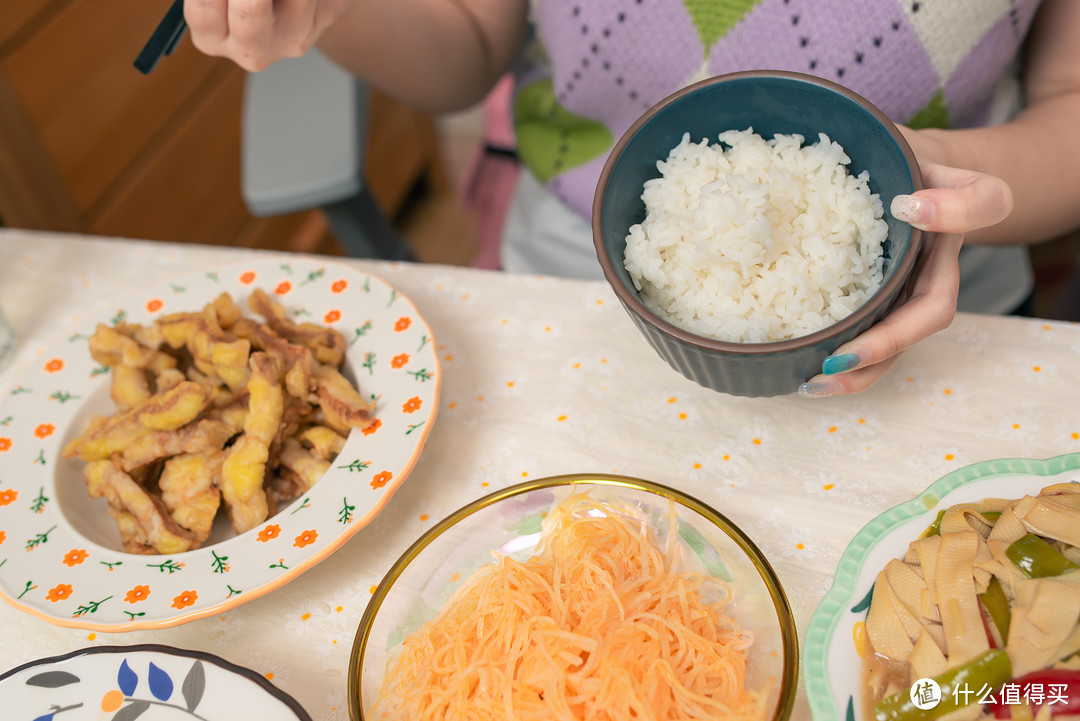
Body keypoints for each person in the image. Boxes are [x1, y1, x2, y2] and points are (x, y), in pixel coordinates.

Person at [183, 0, 1080, 396]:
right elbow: (460, 41)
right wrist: (336, 9)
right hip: (573, 284)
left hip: (939, 306)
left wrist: (926, 178)